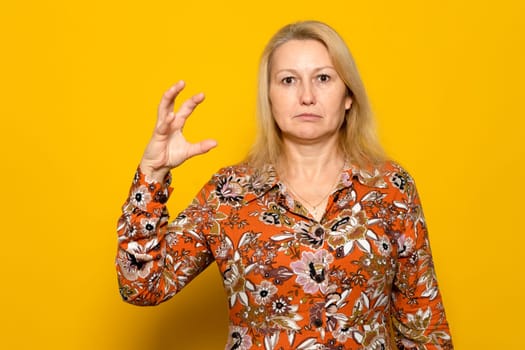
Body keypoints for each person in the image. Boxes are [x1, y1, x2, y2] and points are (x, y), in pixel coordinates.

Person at [116, 20, 453, 349]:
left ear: (348, 95)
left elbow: (423, 326)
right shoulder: (228, 193)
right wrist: (153, 173)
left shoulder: (390, 188)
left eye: (323, 78)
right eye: (288, 80)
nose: (307, 96)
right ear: (270, 97)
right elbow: (144, 286)